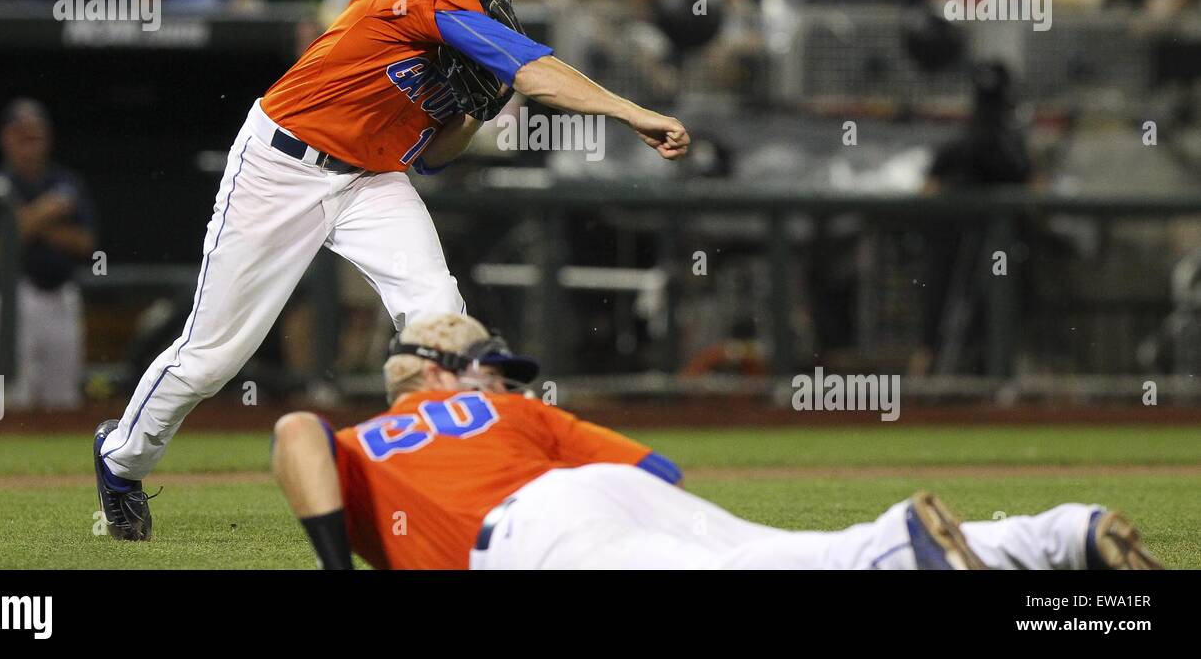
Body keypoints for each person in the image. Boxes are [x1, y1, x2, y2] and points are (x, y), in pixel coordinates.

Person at [93, 0, 690, 541]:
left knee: (442, 322)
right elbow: (536, 71)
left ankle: (463, 492)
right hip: (285, 163)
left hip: (374, 179)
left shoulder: (479, 17)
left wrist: (471, 112)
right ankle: (122, 459)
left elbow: (434, 157)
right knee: (213, 357)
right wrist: (634, 112)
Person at [271, 313, 1162, 570]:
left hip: (529, 537)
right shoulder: (512, 415)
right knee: (794, 556)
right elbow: (658, 470)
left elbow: (293, 431)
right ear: (430, 373)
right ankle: (1060, 536)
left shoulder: (368, 440)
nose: (500, 378)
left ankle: (898, 547)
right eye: (486, 365)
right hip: (598, 503)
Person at [0, 99, 97, 411]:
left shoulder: (66, 182)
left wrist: (22, 222)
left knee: (63, 399)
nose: (28, 146)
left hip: (60, 296)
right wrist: (45, 213)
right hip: (9, 297)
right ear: (5, 138)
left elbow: (84, 243)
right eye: (21, 137)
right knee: (2, 402)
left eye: (35, 137)